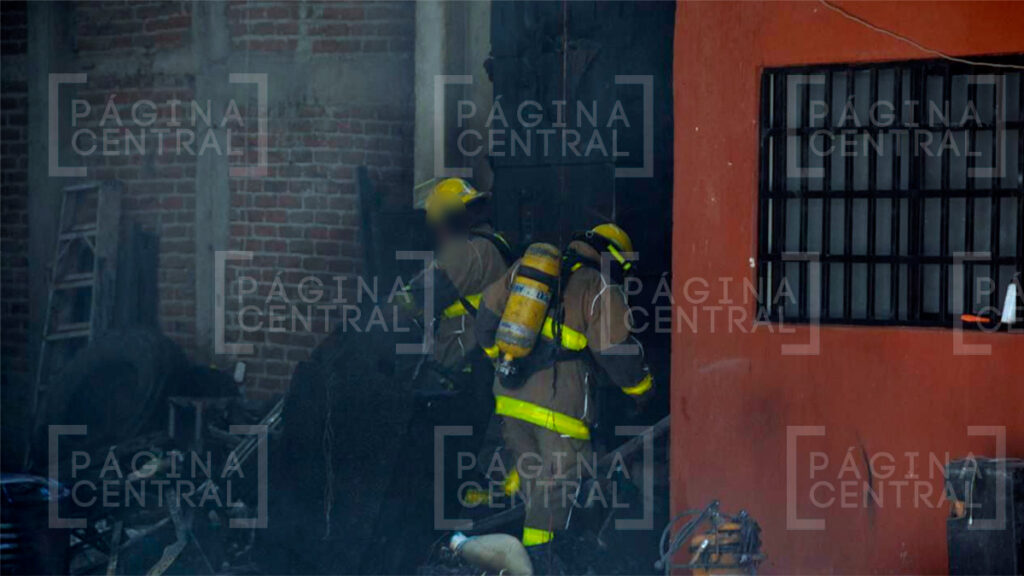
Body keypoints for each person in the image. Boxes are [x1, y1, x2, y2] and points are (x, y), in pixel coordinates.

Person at [473, 223, 655, 566]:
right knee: (551, 502)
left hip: (509, 403)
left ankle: (491, 557)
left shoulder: (525, 270)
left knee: (517, 482)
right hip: (560, 417)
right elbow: (616, 354)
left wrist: (505, 365)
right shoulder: (598, 286)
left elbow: (484, 322)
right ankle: (540, 565)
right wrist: (643, 392)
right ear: (614, 259)